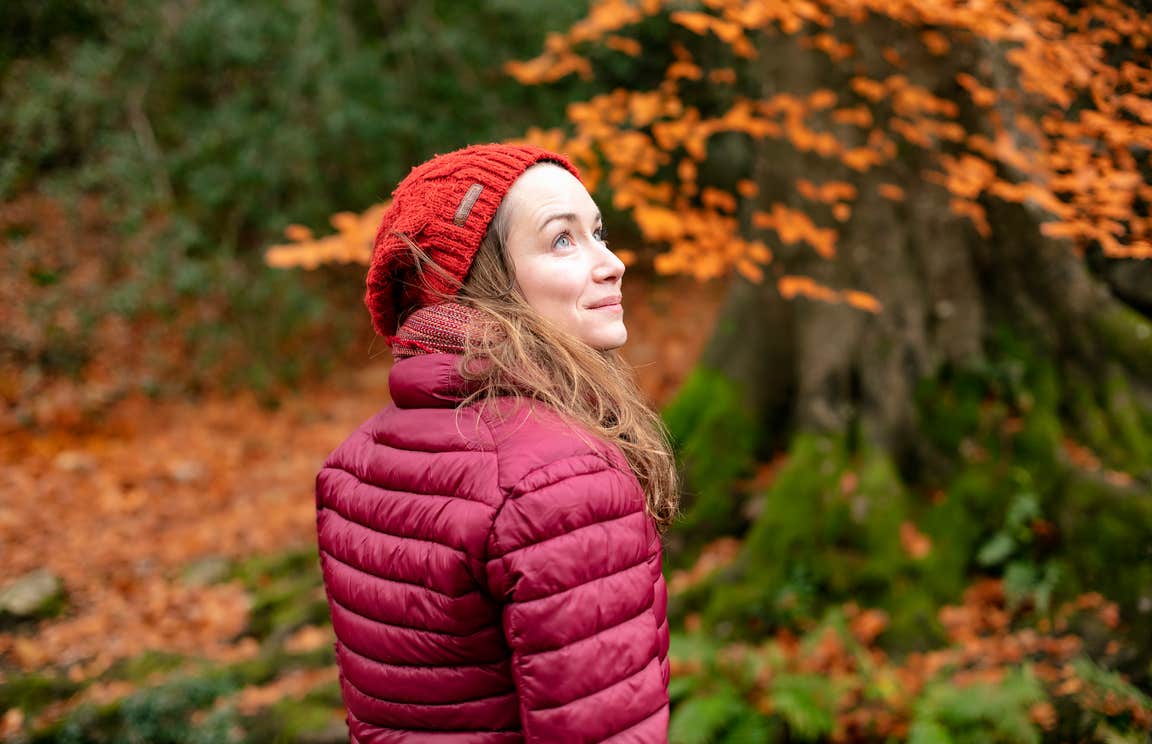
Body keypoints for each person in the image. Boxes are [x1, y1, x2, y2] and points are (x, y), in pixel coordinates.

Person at [315, 143, 679, 743]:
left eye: (599, 233)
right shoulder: (561, 479)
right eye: (562, 240)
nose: (612, 263)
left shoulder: (351, 467)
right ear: (481, 284)